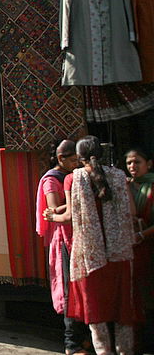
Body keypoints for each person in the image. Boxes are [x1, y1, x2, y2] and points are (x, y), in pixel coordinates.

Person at [50, 135, 140, 355]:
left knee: (95, 310)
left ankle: (103, 352)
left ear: (80, 158)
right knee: (122, 308)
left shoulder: (73, 178)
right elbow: (132, 212)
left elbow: (70, 216)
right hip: (119, 254)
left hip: (90, 256)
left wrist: (52, 217)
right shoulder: (119, 176)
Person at [38, 140, 90, 355]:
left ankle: (84, 339)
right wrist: (74, 204)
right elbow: (52, 210)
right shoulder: (52, 179)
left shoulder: (74, 176)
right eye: (74, 160)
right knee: (69, 289)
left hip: (78, 236)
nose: (77, 164)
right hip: (63, 239)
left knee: (82, 286)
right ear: (61, 159)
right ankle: (72, 344)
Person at [126, 147, 154, 352]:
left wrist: (142, 235)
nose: (132, 167)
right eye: (129, 163)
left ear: (149, 164)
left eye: (137, 162)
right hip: (132, 249)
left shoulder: (152, 187)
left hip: (149, 246)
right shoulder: (125, 187)